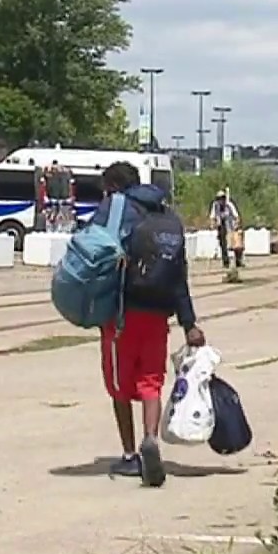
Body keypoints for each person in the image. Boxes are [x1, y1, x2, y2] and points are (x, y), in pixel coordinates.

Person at [96, 162, 206, 486]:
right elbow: (179, 278)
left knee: (119, 386)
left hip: (121, 316)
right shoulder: (169, 219)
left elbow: (94, 250)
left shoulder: (117, 210)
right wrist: (189, 324)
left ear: (114, 186)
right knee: (150, 382)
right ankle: (151, 441)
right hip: (159, 316)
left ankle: (130, 455)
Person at [208, 190, 243, 269]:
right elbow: (212, 217)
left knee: (236, 245)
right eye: (219, 198)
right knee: (223, 244)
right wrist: (213, 224)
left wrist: (236, 224)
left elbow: (236, 216)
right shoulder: (215, 206)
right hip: (222, 226)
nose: (221, 200)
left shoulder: (229, 205)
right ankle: (226, 261)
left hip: (231, 226)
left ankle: (238, 260)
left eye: (222, 198)